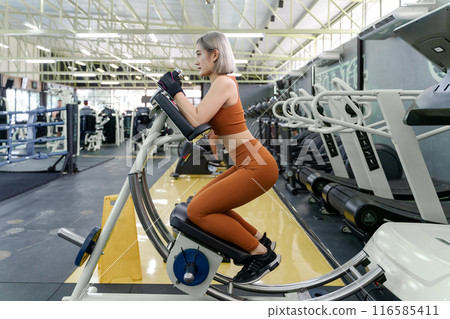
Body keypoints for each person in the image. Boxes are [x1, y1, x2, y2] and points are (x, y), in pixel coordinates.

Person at [158, 31, 281, 284]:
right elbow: (203, 125)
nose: (196, 62)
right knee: (200, 203)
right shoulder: (220, 85)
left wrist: (176, 90)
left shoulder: (224, 82)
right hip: (247, 164)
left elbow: (196, 118)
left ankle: (261, 254)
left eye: (199, 55)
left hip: (257, 166)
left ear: (215, 55)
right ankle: (259, 239)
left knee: (198, 210)